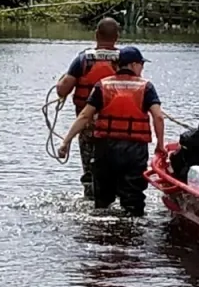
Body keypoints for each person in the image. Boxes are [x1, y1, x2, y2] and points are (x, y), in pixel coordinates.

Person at [57, 45, 166, 216]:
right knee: (133, 201)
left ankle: (101, 235)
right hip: (134, 150)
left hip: (105, 148)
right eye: (141, 65)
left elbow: (85, 116)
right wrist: (160, 145)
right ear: (132, 65)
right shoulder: (147, 87)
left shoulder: (103, 85)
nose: (142, 69)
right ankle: (132, 232)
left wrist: (66, 141)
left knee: (102, 203)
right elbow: (158, 117)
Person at [53, 17, 121, 199]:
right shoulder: (126, 60)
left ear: (96, 35)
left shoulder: (83, 60)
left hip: (88, 127)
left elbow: (62, 91)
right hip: (118, 130)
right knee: (116, 173)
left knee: (91, 173)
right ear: (117, 37)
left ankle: (92, 200)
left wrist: (63, 79)